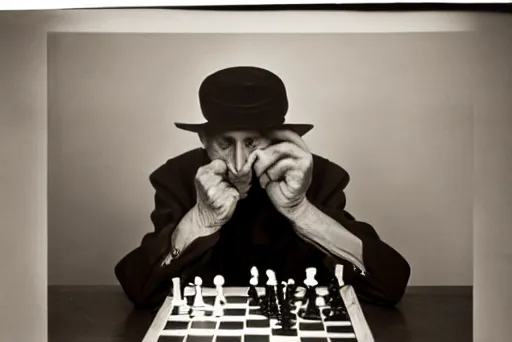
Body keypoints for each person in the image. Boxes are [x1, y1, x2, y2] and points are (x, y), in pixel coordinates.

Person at [114, 66, 411, 310]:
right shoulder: (176, 177)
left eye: (253, 142)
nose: (239, 163)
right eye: (226, 143)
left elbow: (389, 285)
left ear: (280, 139)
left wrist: (302, 211)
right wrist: (200, 219)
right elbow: (140, 288)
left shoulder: (320, 176)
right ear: (203, 140)